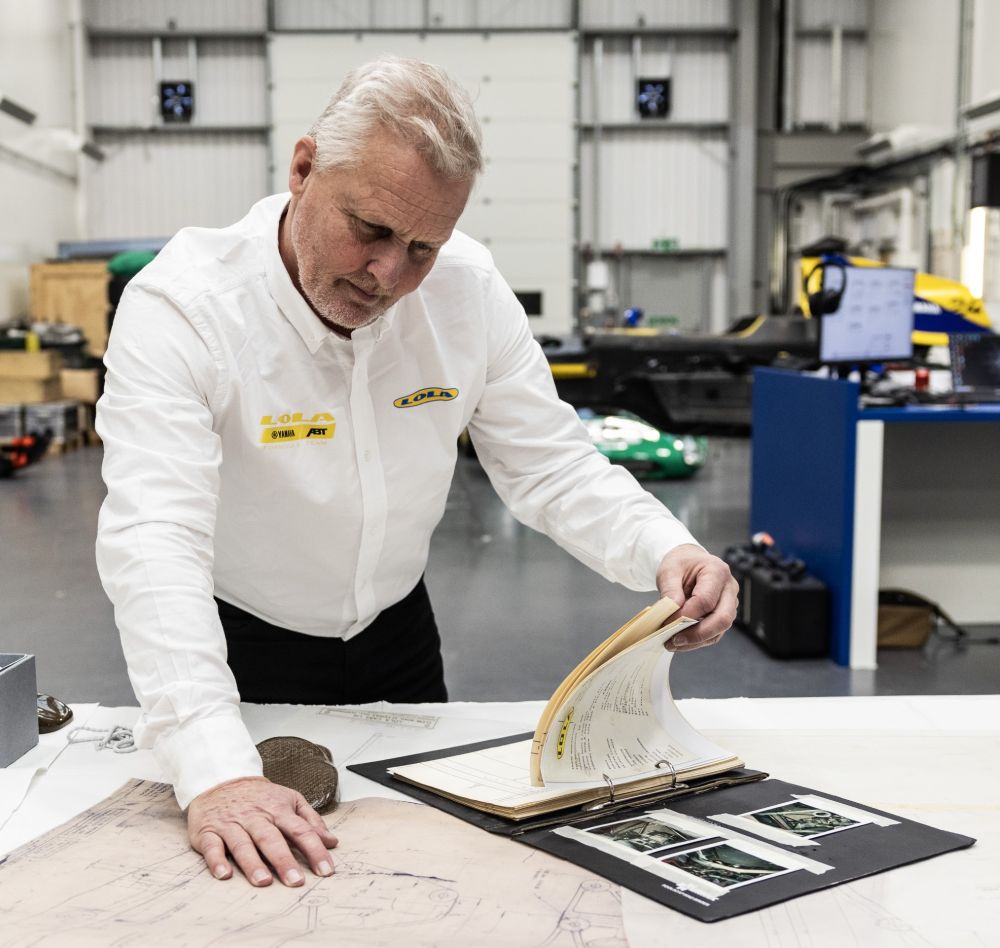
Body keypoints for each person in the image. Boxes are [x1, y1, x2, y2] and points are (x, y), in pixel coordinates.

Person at [96, 57, 737, 891]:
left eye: (423, 247)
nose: (389, 276)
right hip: (240, 646)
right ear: (302, 170)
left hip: (399, 639)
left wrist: (664, 548)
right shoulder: (185, 307)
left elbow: (551, 464)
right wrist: (213, 767)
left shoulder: (467, 290)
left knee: (420, 880)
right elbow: (156, 538)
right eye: (368, 229)